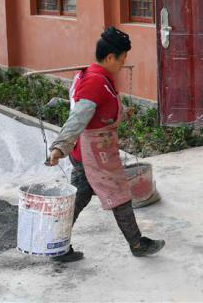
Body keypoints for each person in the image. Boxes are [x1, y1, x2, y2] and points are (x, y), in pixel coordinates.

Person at [47, 27, 165, 262]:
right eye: (122, 58)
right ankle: (137, 244)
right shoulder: (94, 82)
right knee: (118, 195)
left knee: (81, 199)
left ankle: (56, 245)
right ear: (111, 57)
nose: (124, 63)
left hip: (93, 152)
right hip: (92, 154)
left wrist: (122, 113)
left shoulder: (99, 77)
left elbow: (101, 110)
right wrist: (59, 147)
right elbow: (78, 117)